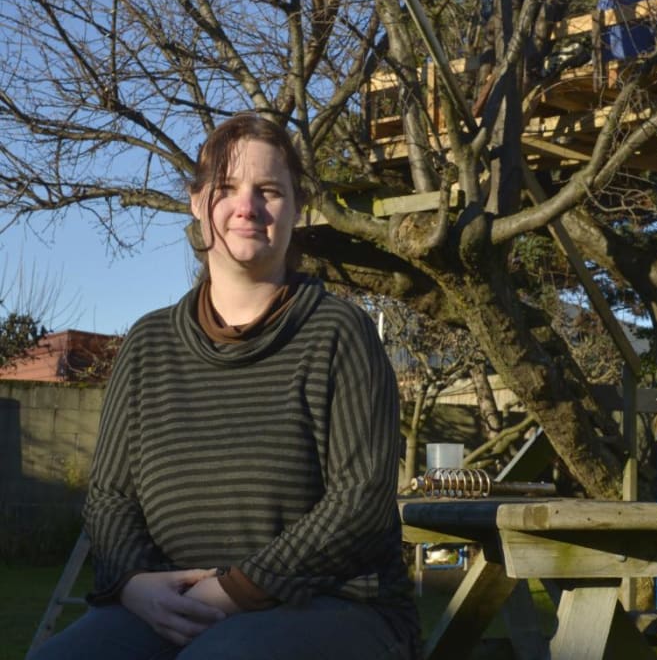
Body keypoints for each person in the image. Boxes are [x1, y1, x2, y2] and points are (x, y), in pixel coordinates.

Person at [30, 113, 419, 660]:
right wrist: (134, 584)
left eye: (269, 191)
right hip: (170, 603)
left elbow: (361, 502)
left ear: (297, 208)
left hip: (335, 606)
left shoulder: (339, 333)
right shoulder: (148, 343)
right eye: (227, 189)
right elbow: (110, 499)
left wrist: (236, 588)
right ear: (196, 203)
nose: (248, 207)